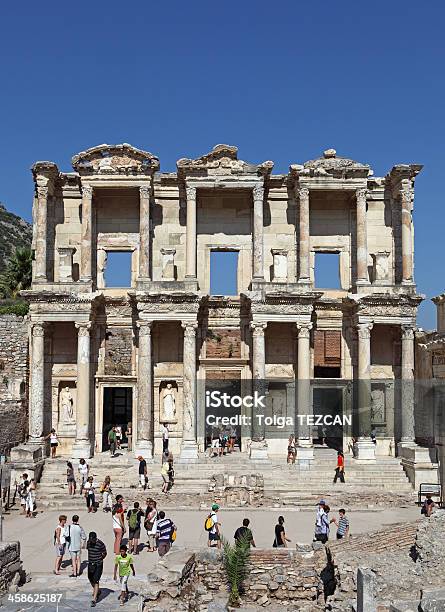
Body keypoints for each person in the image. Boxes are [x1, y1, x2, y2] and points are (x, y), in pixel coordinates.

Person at [86, 531, 107, 608]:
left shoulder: (100, 544)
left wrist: (100, 559)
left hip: (98, 564)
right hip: (90, 564)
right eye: (91, 540)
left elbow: (105, 553)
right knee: (90, 579)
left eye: (93, 540)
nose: (92, 541)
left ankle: (94, 600)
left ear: (95, 538)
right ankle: (98, 591)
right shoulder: (88, 543)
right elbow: (88, 549)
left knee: (96, 580)